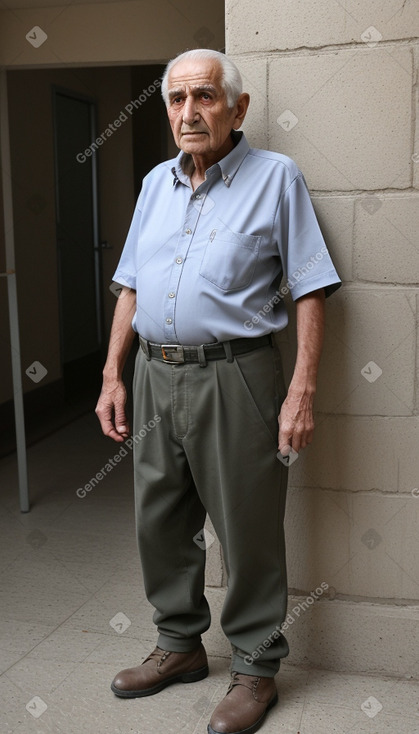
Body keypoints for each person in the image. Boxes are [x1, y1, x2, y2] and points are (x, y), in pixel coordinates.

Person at [96, 48, 341, 734]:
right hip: (152, 371)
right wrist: (113, 373)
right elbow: (131, 286)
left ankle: (255, 670)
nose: (187, 112)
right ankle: (178, 647)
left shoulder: (275, 179)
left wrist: (301, 390)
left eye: (203, 96)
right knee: (159, 517)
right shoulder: (153, 184)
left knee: (247, 525)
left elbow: (313, 288)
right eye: (175, 100)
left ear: (237, 108)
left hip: (236, 373)